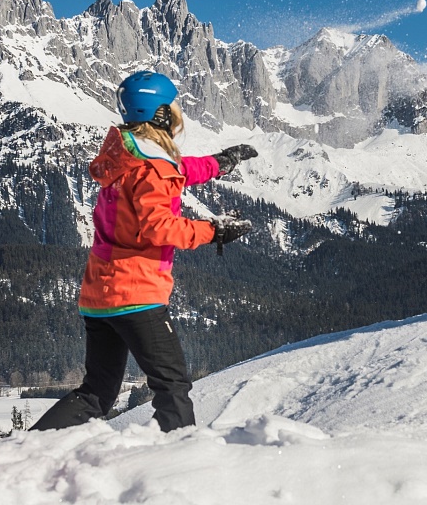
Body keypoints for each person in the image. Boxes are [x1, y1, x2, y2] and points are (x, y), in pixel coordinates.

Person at [31, 70, 258, 432]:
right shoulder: (152, 167)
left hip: (99, 294)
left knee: (97, 393)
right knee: (172, 385)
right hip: (135, 293)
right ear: (162, 115)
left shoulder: (127, 157)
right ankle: (181, 463)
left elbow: (175, 171)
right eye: (174, 107)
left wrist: (220, 162)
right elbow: (158, 227)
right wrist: (214, 231)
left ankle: (28, 452)